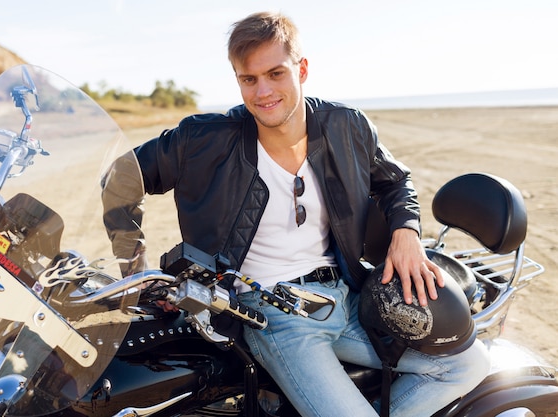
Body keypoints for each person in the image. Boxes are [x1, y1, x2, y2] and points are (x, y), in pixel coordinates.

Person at [101, 11, 490, 416]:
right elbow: (119, 180)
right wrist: (135, 269)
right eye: (248, 79)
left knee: (470, 363)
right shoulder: (202, 139)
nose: (263, 92)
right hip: (271, 313)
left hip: (346, 295)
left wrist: (405, 233)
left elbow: (395, 182)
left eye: (275, 73)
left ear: (301, 69)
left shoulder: (347, 126)